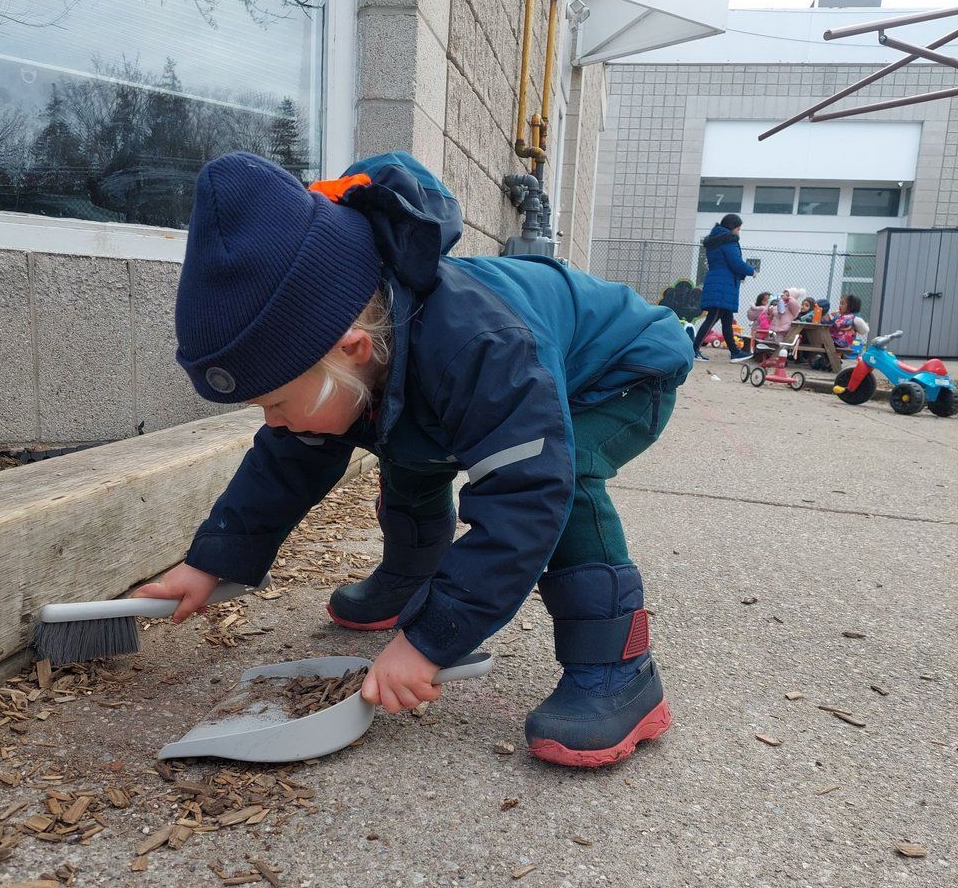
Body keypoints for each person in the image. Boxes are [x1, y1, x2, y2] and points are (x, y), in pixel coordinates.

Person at [134, 152, 694, 768]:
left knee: (569, 480)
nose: (272, 423)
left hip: (618, 373)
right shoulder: (357, 357)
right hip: (490, 373)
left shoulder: (482, 347)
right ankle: (409, 583)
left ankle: (618, 671)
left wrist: (430, 644)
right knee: (408, 444)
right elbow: (284, 464)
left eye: (275, 402)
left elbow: (524, 499)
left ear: (351, 350)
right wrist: (211, 563)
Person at [692, 214, 755, 362]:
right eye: (738, 229)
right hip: (723, 285)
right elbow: (736, 263)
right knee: (713, 317)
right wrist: (751, 270)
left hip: (717, 282)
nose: (738, 232)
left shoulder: (715, 241)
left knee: (727, 319)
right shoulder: (728, 242)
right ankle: (693, 349)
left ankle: (734, 352)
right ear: (732, 227)